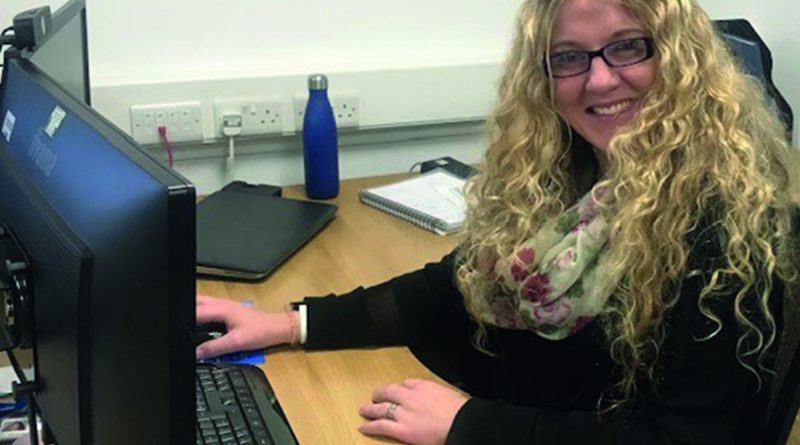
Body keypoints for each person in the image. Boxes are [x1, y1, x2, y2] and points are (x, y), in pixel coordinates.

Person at [196, 0, 800, 443]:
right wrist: (291, 322)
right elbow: (451, 291)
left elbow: (686, 438)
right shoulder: (568, 174)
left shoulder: (734, 229)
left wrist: (468, 425)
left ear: (679, 57)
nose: (598, 78)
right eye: (568, 57)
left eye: (627, 45)